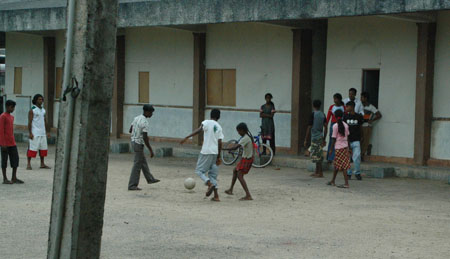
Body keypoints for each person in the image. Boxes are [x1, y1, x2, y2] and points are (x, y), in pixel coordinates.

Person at [181, 109, 224, 202]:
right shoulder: (219, 127)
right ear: (219, 117)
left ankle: (209, 184)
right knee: (213, 175)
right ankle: (216, 196)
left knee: (199, 171)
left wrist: (188, 136)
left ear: (210, 115)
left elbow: (199, 130)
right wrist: (219, 156)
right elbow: (220, 142)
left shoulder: (206, 122)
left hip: (206, 151)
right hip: (215, 152)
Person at [128, 104, 160, 191]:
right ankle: (132, 185)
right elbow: (145, 137)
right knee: (137, 164)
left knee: (143, 161)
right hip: (138, 143)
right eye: (151, 113)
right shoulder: (145, 122)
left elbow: (130, 129)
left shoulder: (136, 118)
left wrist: (136, 133)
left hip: (133, 141)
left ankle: (150, 179)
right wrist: (150, 150)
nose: (152, 114)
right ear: (147, 112)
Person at [224, 123, 254, 200]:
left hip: (247, 159)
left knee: (240, 175)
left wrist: (224, 149)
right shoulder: (246, 137)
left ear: (242, 130)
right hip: (245, 158)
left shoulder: (245, 138)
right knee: (235, 171)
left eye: (238, 131)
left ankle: (248, 195)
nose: (238, 133)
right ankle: (231, 189)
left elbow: (236, 147)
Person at [26, 94, 51, 170]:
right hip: (35, 132)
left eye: (41, 99)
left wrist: (47, 131)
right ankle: (28, 164)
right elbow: (29, 122)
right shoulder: (32, 110)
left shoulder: (43, 110)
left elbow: (45, 121)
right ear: (36, 100)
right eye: (39, 99)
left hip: (42, 132)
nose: (41, 101)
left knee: (42, 148)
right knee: (32, 148)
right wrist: (30, 133)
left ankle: (42, 163)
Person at [1, 100, 23, 184]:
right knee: (4, 161)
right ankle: (5, 178)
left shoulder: (11, 117)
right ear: (7, 106)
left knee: (15, 160)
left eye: (13, 107)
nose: (13, 109)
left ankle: (14, 177)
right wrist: (3, 143)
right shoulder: (3, 116)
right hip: (5, 143)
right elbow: (1, 131)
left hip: (12, 142)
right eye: (11, 107)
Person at [304, 100, 327, 178]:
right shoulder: (323, 114)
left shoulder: (313, 114)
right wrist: (324, 137)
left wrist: (306, 139)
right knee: (317, 154)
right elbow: (326, 127)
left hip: (314, 137)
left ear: (313, 105)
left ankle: (320, 173)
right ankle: (317, 171)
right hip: (320, 136)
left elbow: (309, 127)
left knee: (317, 156)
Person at [327, 109, 350, 188]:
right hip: (345, 147)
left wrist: (330, 149)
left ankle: (346, 183)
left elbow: (333, 138)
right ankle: (333, 180)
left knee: (342, 166)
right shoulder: (346, 125)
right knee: (338, 165)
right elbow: (348, 137)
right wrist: (349, 148)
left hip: (338, 147)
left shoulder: (335, 126)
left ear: (335, 117)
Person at [343, 101, 364, 180]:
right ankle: (348, 173)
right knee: (347, 158)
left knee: (357, 157)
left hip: (356, 140)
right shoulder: (345, 116)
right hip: (347, 140)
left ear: (351, 107)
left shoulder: (358, 117)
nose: (346, 108)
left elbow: (361, 127)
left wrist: (362, 136)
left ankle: (357, 173)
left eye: (347, 107)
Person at [361, 92, 382, 159]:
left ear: (365, 98)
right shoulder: (360, 105)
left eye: (362, 97)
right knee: (360, 140)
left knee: (365, 141)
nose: (361, 99)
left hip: (367, 126)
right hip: (360, 125)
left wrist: (372, 120)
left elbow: (379, 115)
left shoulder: (371, 107)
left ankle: (362, 154)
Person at [326, 93, 345, 162]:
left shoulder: (343, 107)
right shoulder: (332, 107)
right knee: (332, 140)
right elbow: (328, 117)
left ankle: (338, 157)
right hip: (333, 124)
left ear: (339, 99)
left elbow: (345, 117)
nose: (335, 100)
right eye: (334, 99)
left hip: (341, 124)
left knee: (340, 140)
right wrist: (326, 124)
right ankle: (330, 157)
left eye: (336, 99)